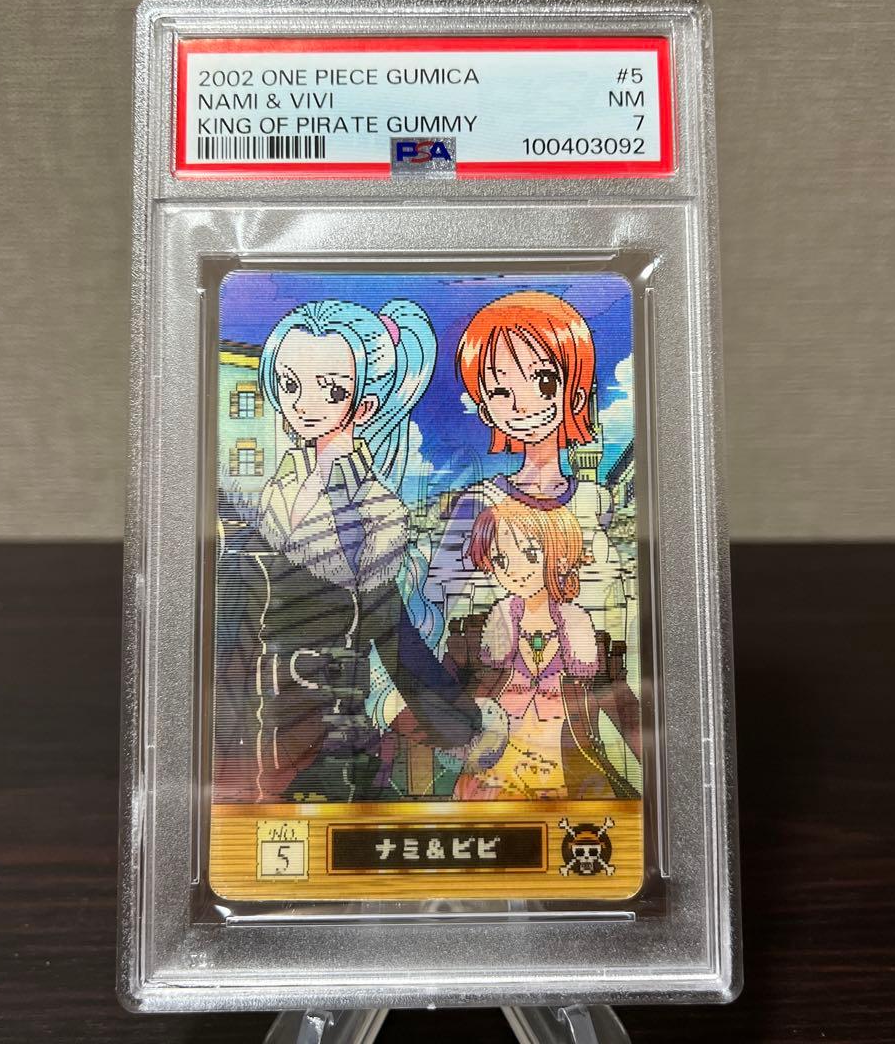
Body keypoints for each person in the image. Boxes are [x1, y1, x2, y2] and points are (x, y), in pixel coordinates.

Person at [212, 297, 478, 805]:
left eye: (330, 390)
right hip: (253, 711)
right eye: (290, 385)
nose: (304, 404)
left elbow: (389, 628)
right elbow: (241, 618)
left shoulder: (374, 509)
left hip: (329, 719)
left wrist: (457, 724)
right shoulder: (276, 491)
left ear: (364, 406)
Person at [426, 291, 620, 636]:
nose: (521, 405)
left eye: (543, 382)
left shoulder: (595, 502)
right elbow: (436, 603)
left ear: (575, 397)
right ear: (486, 411)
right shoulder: (478, 504)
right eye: (501, 392)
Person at [447, 500, 639, 801]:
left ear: (560, 554)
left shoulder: (584, 641)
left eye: (530, 553)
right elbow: (437, 697)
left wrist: (667, 772)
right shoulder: (485, 638)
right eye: (500, 559)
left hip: (569, 777)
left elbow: (632, 721)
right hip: (491, 779)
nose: (514, 571)